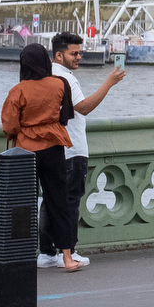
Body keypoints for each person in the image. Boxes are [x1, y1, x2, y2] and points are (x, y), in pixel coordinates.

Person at [46, 30, 124, 273]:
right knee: (70, 202)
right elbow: (84, 107)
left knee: (50, 202)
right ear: (59, 55)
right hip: (73, 147)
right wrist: (109, 84)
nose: (79, 56)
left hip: (53, 147)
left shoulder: (45, 75)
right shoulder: (67, 79)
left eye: (80, 52)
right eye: (74, 53)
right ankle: (67, 251)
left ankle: (47, 252)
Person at [0, 43, 73, 261]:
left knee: (23, 203)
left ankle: (23, 254)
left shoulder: (18, 90)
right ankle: (67, 257)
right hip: (54, 147)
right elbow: (65, 116)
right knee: (58, 201)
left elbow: (9, 127)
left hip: (25, 151)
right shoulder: (60, 84)